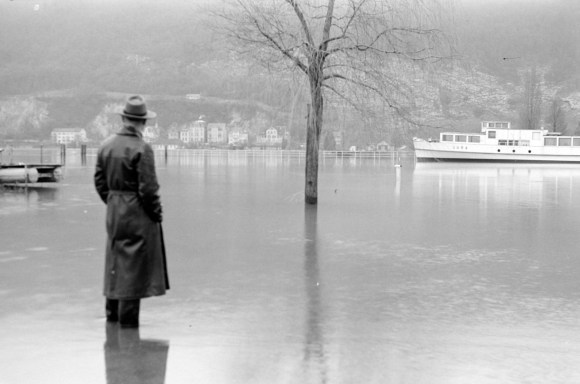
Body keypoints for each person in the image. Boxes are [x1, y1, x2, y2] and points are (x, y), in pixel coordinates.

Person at [94, 95, 169, 328]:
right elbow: (149, 190)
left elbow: (99, 182)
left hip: (115, 213)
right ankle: (128, 332)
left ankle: (111, 321)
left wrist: (115, 203)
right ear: (143, 122)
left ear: (124, 119)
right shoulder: (142, 148)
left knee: (116, 263)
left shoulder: (105, 145)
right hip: (137, 215)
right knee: (134, 272)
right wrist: (157, 214)